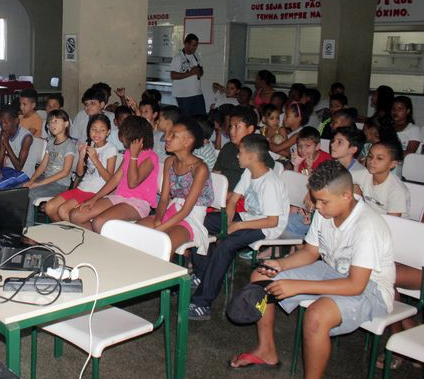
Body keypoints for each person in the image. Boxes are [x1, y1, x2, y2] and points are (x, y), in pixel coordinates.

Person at [229, 161, 394, 379]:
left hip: (371, 288)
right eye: (316, 200)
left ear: (347, 196)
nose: (317, 207)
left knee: (317, 315)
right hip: (333, 270)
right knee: (261, 276)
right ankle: (266, 350)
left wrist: (297, 286)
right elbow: (310, 252)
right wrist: (279, 264)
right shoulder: (327, 210)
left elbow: (356, 285)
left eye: (323, 201)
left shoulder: (367, 226)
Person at [189, 134, 289, 320]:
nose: (237, 156)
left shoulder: (270, 183)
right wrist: (228, 222)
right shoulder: (249, 172)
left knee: (227, 245)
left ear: (251, 156)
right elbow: (234, 200)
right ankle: (203, 274)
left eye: (240, 152)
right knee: (198, 221)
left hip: (266, 227)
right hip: (247, 218)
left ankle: (203, 303)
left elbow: (272, 221)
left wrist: (236, 227)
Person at [140, 118, 214, 258]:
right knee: (134, 232)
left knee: (162, 245)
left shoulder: (200, 169)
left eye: (173, 135)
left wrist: (160, 228)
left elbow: (187, 209)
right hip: (172, 210)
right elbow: (164, 198)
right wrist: (158, 220)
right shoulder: (170, 162)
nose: (167, 138)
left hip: (191, 217)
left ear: (188, 141)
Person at [69, 115, 158, 232]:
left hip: (137, 202)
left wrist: (134, 157)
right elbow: (115, 178)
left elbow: (132, 183)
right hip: (119, 196)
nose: (121, 138)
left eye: (124, 134)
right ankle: (97, 242)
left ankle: (105, 245)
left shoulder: (150, 157)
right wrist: (95, 198)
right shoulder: (128, 153)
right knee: (76, 215)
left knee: (99, 222)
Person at [45, 114, 117, 222]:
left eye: (102, 130)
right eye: (93, 129)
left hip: (96, 192)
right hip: (82, 188)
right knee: (49, 207)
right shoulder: (89, 145)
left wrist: (95, 159)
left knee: (63, 210)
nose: (97, 133)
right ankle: (64, 232)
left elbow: (110, 180)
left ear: (108, 132)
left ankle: (75, 235)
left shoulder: (110, 149)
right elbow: (79, 173)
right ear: (89, 131)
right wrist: (81, 156)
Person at [25, 109, 76, 220]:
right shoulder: (51, 141)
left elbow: (65, 172)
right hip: (46, 180)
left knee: (29, 195)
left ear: (66, 123)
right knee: (20, 189)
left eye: (56, 121)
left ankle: (28, 230)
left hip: (59, 185)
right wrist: (32, 180)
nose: (52, 124)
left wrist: (39, 184)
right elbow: (43, 165)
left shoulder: (69, 145)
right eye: (49, 122)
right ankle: (17, 224)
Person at [354, 139, 409, 217]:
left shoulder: (396, 190)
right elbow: (339, 179)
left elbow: (394, 221)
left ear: (392, 164)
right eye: (370, 156)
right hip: (368, 218)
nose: (372, 161)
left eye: (379, 158)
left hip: (391, 224)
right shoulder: (364, 174)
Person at [170, 33, 205, 116]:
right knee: (186, 119)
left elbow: (201, 72)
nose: (194, 47)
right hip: (184, 95)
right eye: (193, 45)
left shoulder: (196, 56)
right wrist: (190, 73)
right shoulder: (178, 58)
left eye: (196, 45)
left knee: (201, 117)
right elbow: (173, 75)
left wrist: (199, 72)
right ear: (186, 43)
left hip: (197, 93)